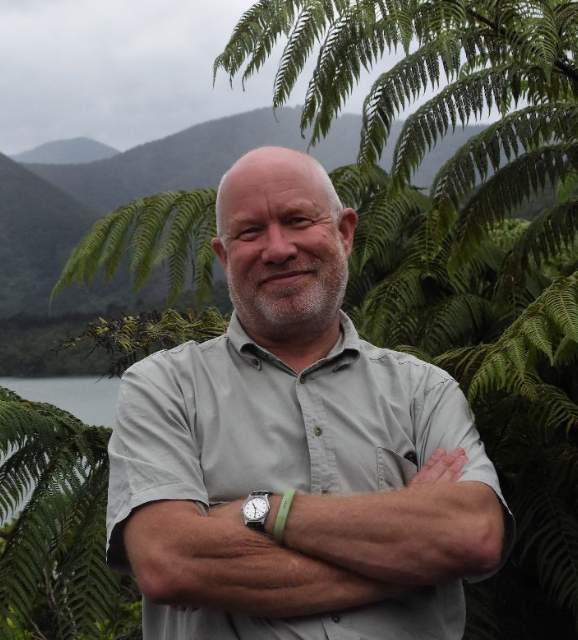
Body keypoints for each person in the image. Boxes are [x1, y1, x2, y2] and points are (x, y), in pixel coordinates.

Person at [106, 146, 511, 640]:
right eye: (250, 231)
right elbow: (170, 562)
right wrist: (404, 554)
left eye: (298, 220)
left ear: (344, 232)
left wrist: (263, 510)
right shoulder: (164, 387)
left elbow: (474, 535)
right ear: (223, 254)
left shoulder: (422, 391)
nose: (278, 249)